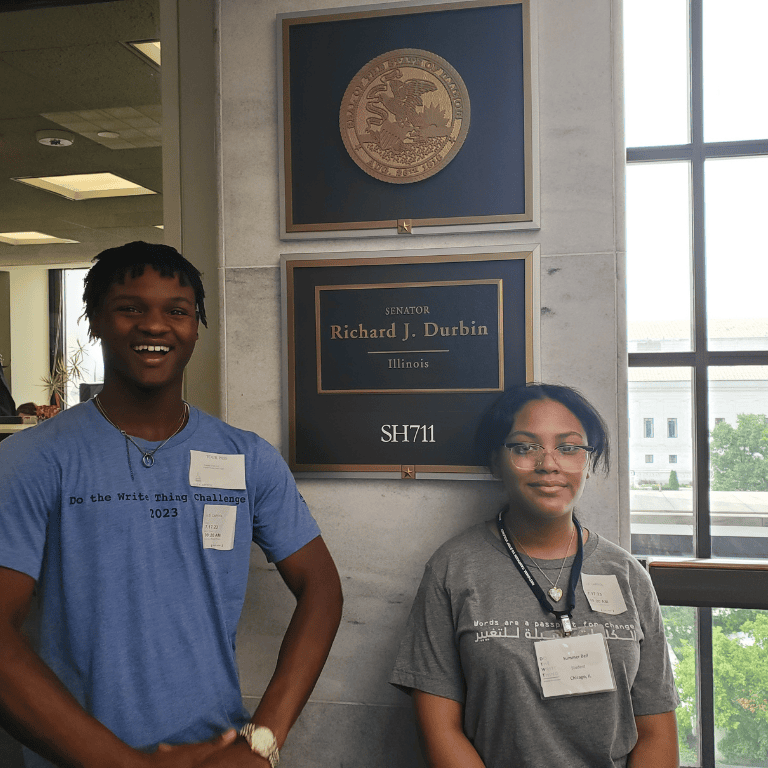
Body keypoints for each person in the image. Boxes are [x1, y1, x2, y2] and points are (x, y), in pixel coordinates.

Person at [0, 242, 343, 768]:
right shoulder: (32, 459)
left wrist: (263, 741)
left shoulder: (247, 457)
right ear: (94, 322)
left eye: (177, 311)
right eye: (130, 307)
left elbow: (322, 587)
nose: (154, 325)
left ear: (196, 327)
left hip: (216, 754)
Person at [390, 383, 679, 768]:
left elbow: (657, 733)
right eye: (525, 447)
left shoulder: (627, 574)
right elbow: (441, 731)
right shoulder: (453, 569)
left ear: (588, 463)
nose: (549, 463)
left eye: (569, 447)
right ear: (495, 461)